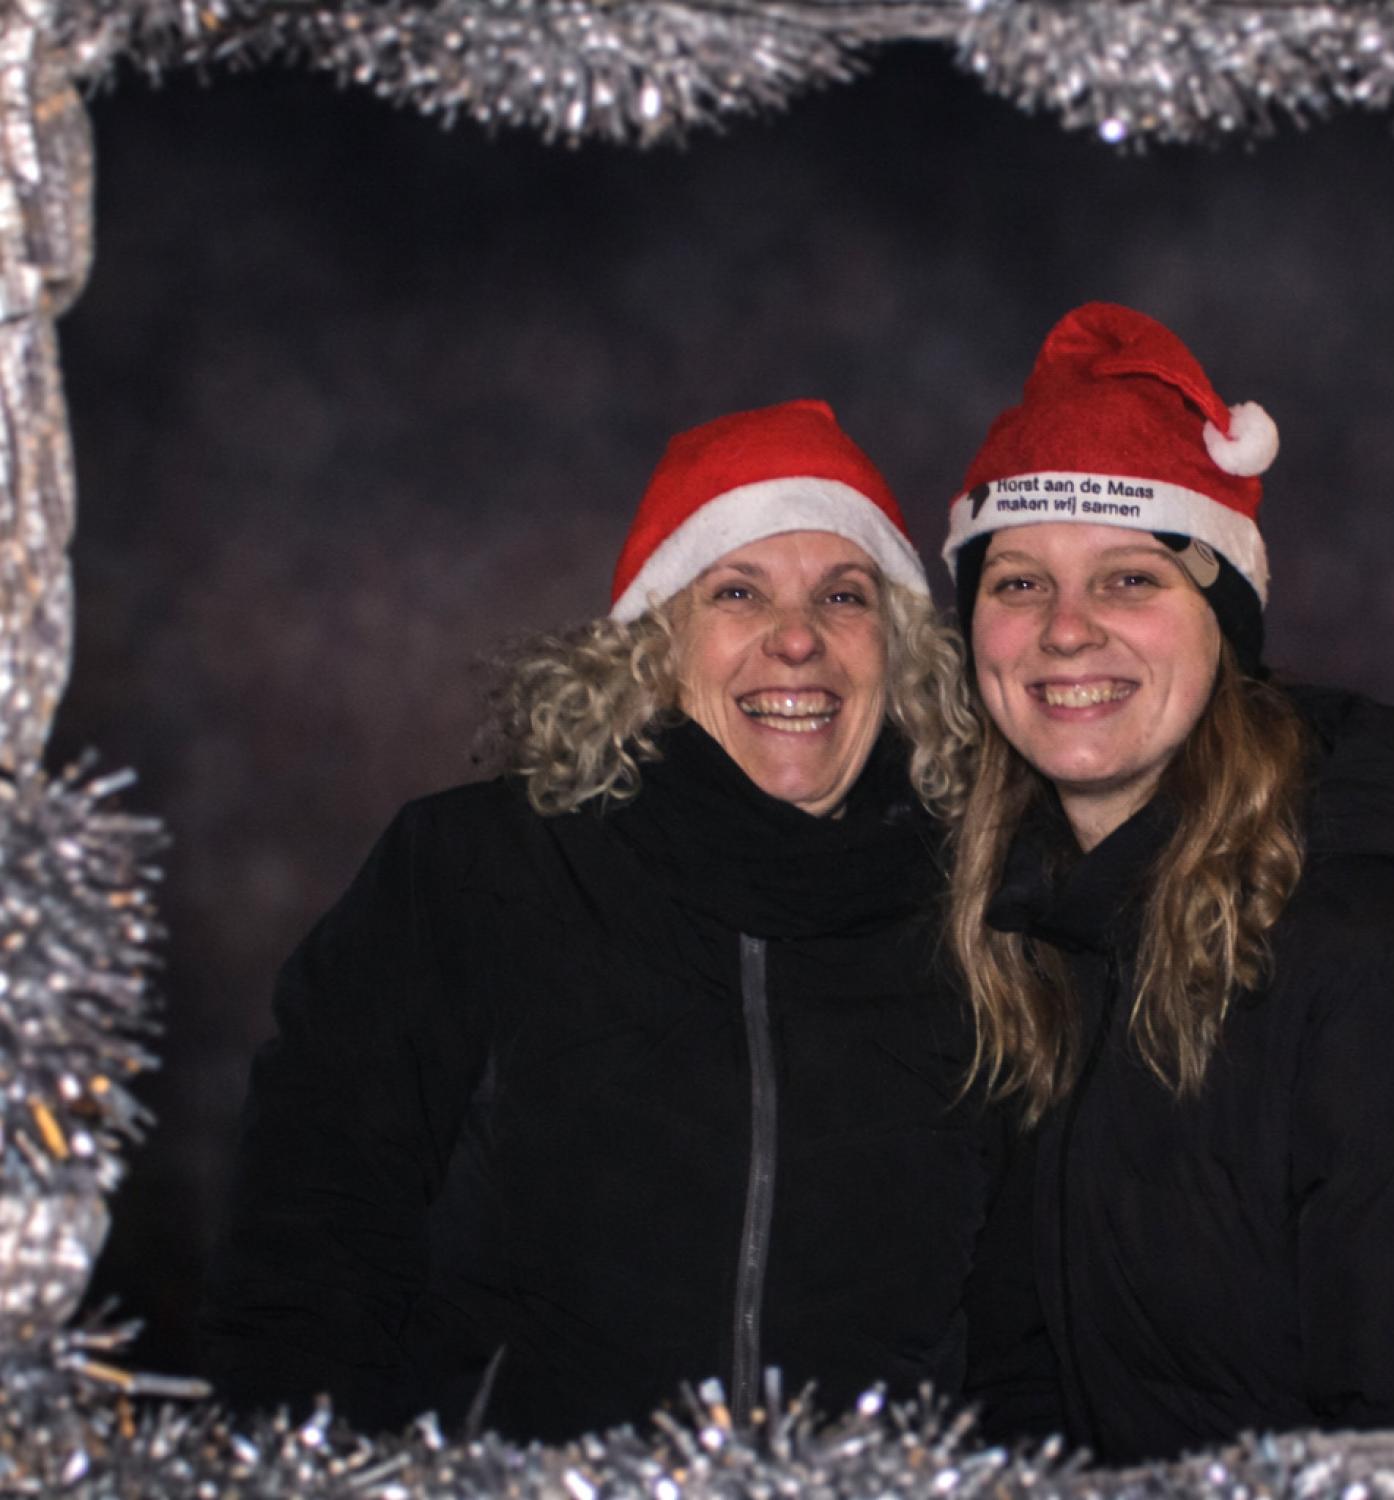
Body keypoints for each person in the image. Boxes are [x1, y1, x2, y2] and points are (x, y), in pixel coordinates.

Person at [946, 304, 1394, 1464]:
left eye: (1129, 579)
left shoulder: (1378, 971)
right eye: (1018, 583)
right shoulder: (1040, 946)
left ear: (1222, 630)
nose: (1065, 631)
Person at [201, 399, 995, 1442]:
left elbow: (1032, 1313)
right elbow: (314, 1230)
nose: (797, 638)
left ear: (896, 650)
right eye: (737, 592)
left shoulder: (980, 911)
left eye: (842, 596)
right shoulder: (473, 871)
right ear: (653, 646)